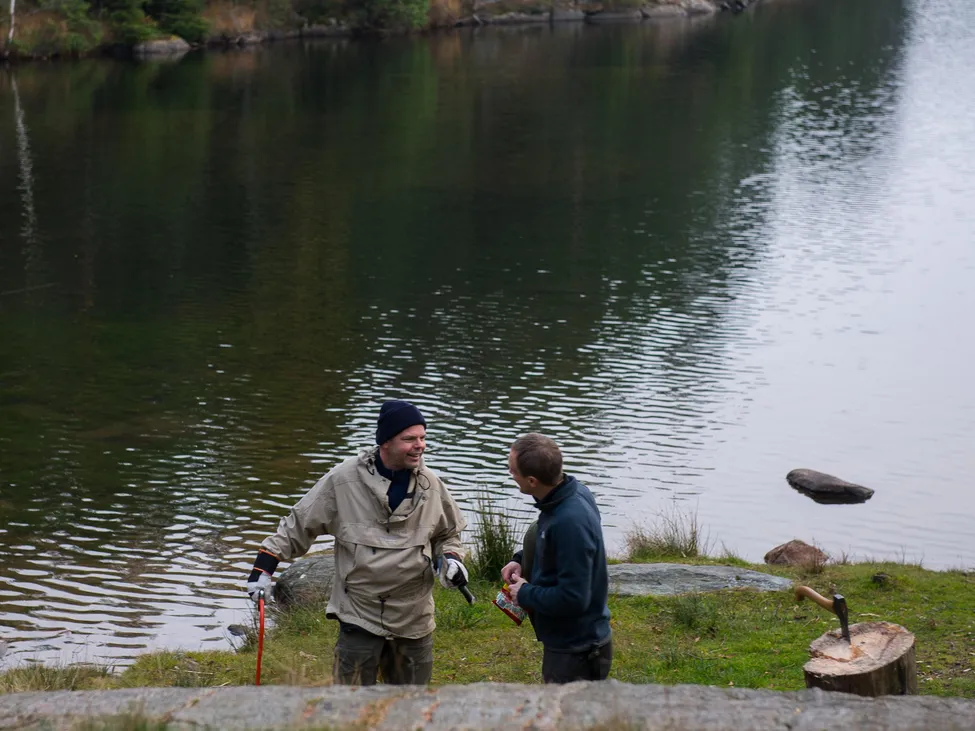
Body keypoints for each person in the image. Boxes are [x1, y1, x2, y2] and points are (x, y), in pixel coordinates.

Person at [245, 400, 469, 686]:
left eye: (423, 438)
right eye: (409, 439)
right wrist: (263, 569)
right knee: (350, 707)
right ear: (385, 442)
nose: (420, 445)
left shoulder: (432, 485)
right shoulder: (344, 480)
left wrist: (452, 560)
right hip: (359, 614)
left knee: (410, 709)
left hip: (414, 617)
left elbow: (447, 534)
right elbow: (298, 524)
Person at [502, 433, 612, 683]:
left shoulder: (569, 521)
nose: (510, 474)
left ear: (531, 480)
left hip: (578, 652)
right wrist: (521, 559)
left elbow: (574, 598)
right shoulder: (565, 496)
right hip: (570, 644)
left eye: (512, 471)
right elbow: (553, 544)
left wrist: (525, 592)